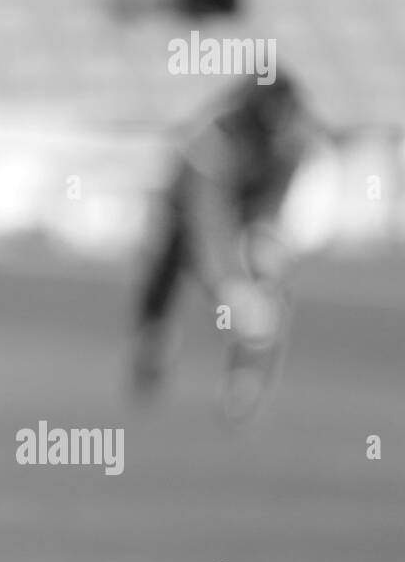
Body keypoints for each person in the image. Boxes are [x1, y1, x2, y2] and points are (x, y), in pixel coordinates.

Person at [131, 70, 324, 423]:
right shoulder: (214, 140)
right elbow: (206, 219)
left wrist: (262, 249)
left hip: (245, 215)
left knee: (269, 272)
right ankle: (153, 343)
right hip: (184, 214)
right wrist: (228, 283)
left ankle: (245, 378)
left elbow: (270, 206)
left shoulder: (292, 142)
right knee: (164, 269)